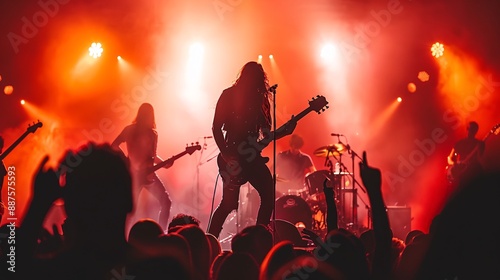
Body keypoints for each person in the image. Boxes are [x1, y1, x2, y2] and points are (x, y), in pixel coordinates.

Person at [208, 61, 296, 238]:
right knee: (229, 204)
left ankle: (258, 237)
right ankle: (210, 240)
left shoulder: (261, 100)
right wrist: (226, 154)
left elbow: (265, 134)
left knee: (268, 194)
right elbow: (216, 127)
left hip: (252, 157)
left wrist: (285, 131)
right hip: (232, 155)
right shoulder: (229, 95)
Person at [112, 103, 172, 231]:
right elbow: (152, 156)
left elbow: (114, 145)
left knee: (129, 209)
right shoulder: (151, 133)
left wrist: (165, 163)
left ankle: (124, 237)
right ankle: (162, 234)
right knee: (165, 203)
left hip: (140, 175)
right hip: (144, 176)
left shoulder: (130, 129)